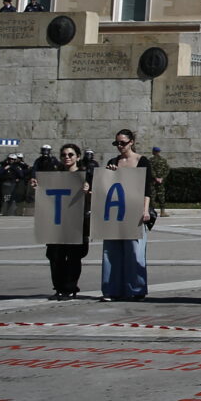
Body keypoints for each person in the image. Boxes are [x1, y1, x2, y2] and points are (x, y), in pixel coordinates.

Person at [100, 129, 155, 301]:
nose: (119, 146)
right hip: (116, 213)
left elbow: (147, 188)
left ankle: (136, 289)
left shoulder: (142, 161)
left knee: (135, 252)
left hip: (135, 211)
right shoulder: (113, 161)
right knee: (111, 252)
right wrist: (110, 172)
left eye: (122, 143)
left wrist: (145, 210)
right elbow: (106, 189)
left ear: (131, 142)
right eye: (116, 143)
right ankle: (112, 289)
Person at [34, 143, 90, 299]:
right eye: (64, 155)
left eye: (71, 154)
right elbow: (47, 196)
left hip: (76, 222)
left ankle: (70, 288)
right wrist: (37, 188)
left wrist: (88, 191)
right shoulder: (55, 175)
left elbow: (96, 196)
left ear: (78, 157)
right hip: (57, 221)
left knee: (73, 257)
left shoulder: (85, 174)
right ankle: (58, 287)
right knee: (55, 256)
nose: (67, 157)